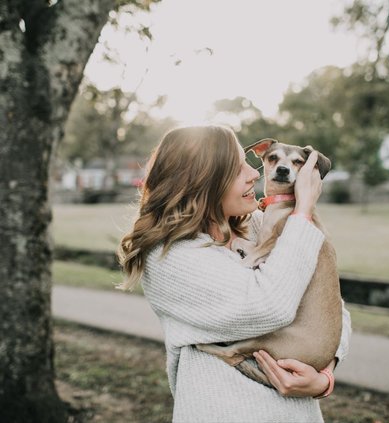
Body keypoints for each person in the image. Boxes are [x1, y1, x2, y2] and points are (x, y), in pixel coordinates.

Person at [118, 125, 351, 423]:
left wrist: (324, 376)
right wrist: (303, 211)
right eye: (236, 168)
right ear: (203, 181)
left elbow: (332, 306)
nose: (254, 173)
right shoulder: (169, 257)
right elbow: (270, 306)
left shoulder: (257, 225)